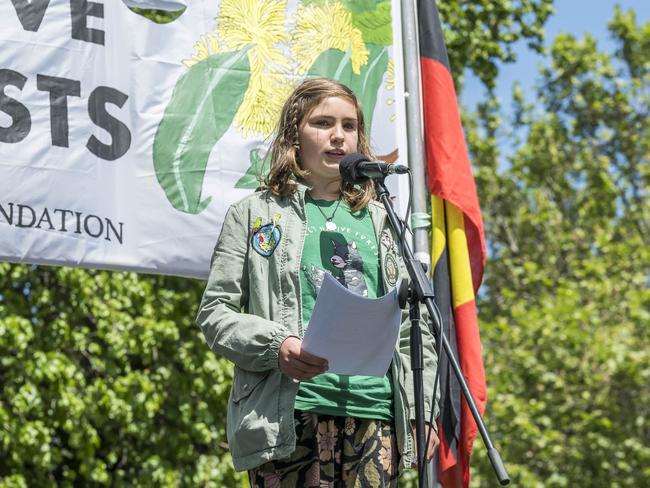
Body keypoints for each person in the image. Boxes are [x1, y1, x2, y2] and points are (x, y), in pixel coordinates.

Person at [196, 78, 439, 487]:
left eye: (349, 126)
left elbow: (416, 328)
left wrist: (421, 411)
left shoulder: (386, 221)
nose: (338, 136)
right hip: (288, 417)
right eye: (323, 123)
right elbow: (215, 313)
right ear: (295, 135)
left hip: (375, 416)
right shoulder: (254, 214)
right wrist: (276, 347)